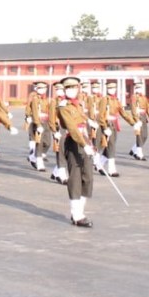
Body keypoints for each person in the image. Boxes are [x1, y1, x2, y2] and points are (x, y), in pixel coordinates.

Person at [55, 76, 96, 227]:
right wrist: (84, 144)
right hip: (74, 142)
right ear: (65, 90)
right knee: (75, 177)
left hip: (84, 138)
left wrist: (89, 121)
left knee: (88, 177)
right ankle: (76, 214)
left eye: (74, 88)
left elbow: (80, 117)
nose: (72, 91)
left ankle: (80, 211)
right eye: (68, 88)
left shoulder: (78, 104)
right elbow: (71, 127)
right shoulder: (63, 106)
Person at [97, 79, 141, 177]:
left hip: (113, 125)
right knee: (111, 147)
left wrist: (133, 123)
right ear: (107, 89)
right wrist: (104, 127)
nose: (112, 90)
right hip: (107, 124)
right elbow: (100, 115)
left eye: (113, 88)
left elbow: (123, 113)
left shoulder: (116, 100)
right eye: (110, 88)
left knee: (109, 147)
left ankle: (99, 165)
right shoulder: (105, 100)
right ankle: (112, 170)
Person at [47, 80, 69, 184]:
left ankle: (56, 172)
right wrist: (54, 131)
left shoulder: (68, 101)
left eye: (61, 89)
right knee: (61, 151)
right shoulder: (54, 102)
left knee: (67, 151)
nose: (59, 91)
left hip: (69, 128)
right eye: (57, 89)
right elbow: (51, 117)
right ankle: (62, 175)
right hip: (59, 128)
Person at [128, 82, 149, 161]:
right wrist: (136, 120)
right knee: (139, 136)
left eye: (140, 87)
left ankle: (133, 150)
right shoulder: (134, 97)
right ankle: (139, 154)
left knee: (145, 136)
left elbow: (148, 108)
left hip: (143, 117)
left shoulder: (144, 97)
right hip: (138, 116)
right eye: (137, 87)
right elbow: (133, 109)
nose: (139, 89)